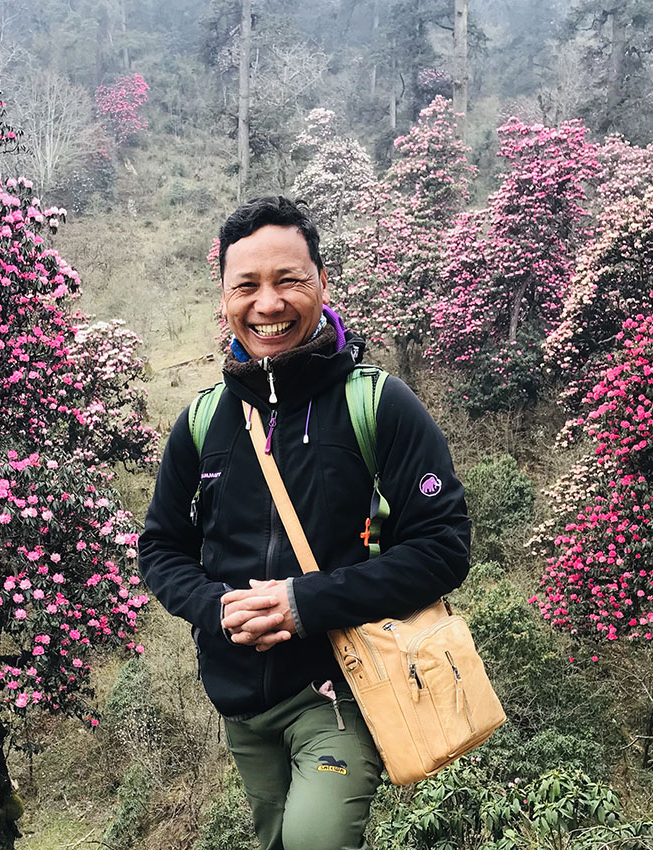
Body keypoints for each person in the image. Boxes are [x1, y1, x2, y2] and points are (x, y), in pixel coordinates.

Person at [138, 196, 470, 850]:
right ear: (225, 298)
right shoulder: (203, 422)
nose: (268, 303)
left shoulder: (377, 405)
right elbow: (160, 548)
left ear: (322, 282)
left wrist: (302, 603)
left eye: (289, 280)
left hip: (340, 692)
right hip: (240, 705)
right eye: (247, 286)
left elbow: (443, 548)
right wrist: (214, 607)